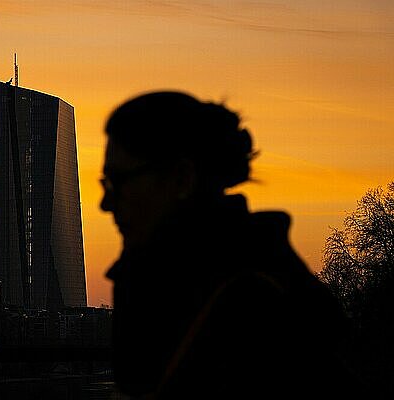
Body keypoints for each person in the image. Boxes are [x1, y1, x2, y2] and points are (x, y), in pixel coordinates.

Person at [100, 91, 369, 399]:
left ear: (182, 178)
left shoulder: (252, 300)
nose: (106, 203)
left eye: (118, 182)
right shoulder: (156, 277)